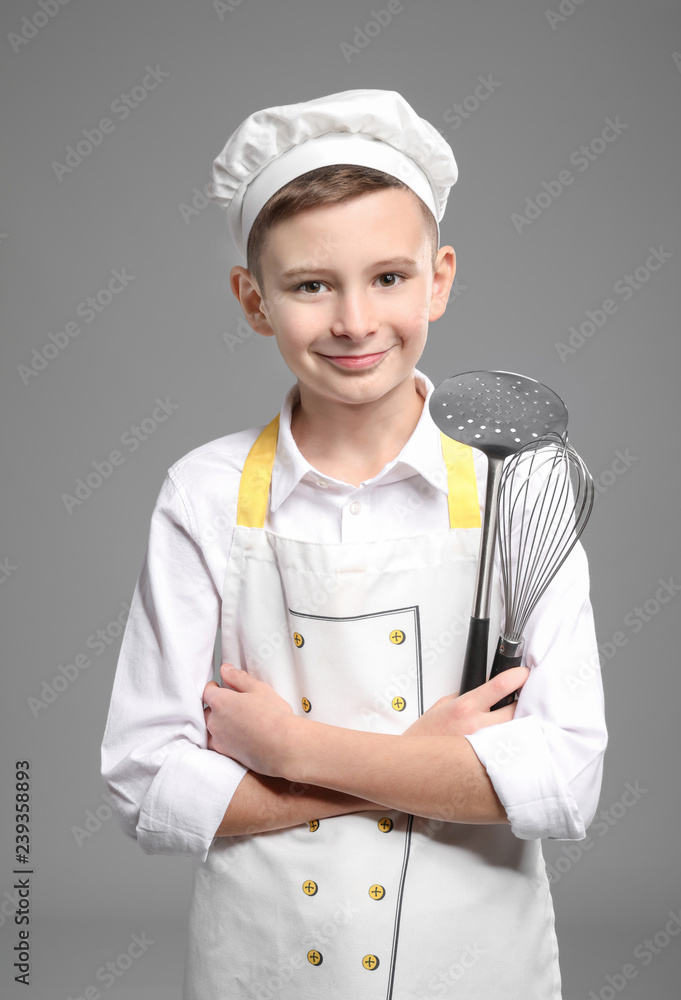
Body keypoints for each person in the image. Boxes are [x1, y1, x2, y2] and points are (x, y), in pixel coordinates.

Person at [100, 89, 608, 999]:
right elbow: (146, 784)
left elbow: (564, 782)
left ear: (439, 279)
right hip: (267, 969)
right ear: (252, 300)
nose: (353, 322)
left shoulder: (518, 486)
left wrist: (290, 748)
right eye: (308, 285)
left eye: (388, 277)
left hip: (478, 971)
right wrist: (432, 761)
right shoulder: (204, 496)